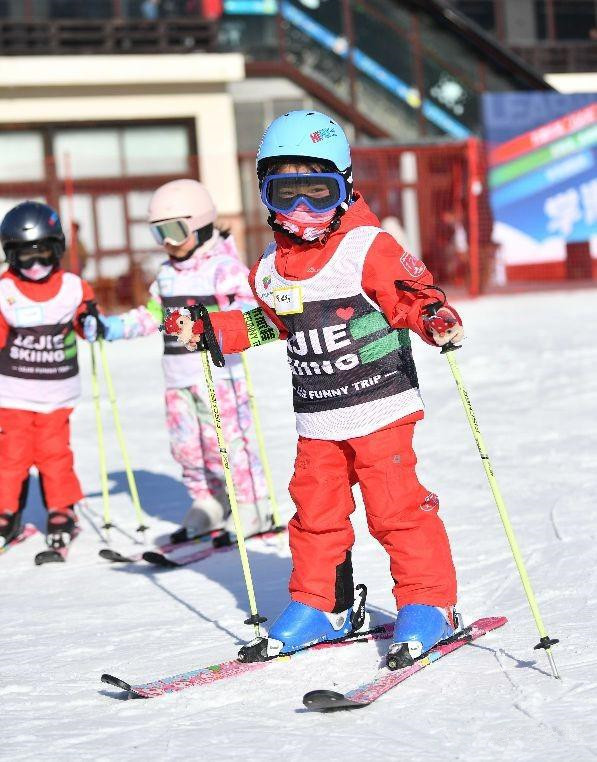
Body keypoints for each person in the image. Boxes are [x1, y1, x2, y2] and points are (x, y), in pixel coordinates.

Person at [166, 111, 465, 667]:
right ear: (265, 196)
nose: (302, 212)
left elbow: (411, 295)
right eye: (286, 196)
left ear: (346, 187)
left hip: (380, 407)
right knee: (315, 514)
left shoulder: (367, 247)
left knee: (396, 509)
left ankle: (430, 601)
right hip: (319, 417)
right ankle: (323, 605)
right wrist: (213, 329)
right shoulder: (272, 269)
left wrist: (435, 318)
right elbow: (269, 323)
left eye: (318, 194)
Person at [83, 179, 269, 544]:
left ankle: (251, 504)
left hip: (219, 377)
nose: (167, 242)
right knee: (186, 446)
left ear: (200, 225)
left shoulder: (224, 269)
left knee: (228, 442)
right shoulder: (167, 274)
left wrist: (219, 322)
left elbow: (251, 309)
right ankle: (208, 500)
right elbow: (153, 314)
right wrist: (112, 327)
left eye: (174, 231)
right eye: (159, 234)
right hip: (177, 378)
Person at [0, 201, 97, 549]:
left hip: (56, 394)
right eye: (26, 256)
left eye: (44, 253)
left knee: (54, 453)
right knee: (11, 454)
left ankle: (61, 509)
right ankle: (5, 511)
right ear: (12, 256)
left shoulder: (73, 287)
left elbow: (86, 323)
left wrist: (91, 320)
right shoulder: (5, 290)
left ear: (57, 248)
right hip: (14, 393)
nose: (37, 264)